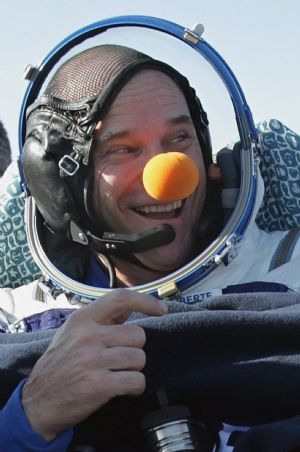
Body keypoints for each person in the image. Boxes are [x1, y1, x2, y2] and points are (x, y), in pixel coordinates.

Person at [1, 44, 300, 452]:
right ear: (63, 184)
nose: (167, 174)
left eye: (179, 138)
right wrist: (29, 416)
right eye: (124, 149)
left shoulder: (291, 270)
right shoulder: (15, 321)